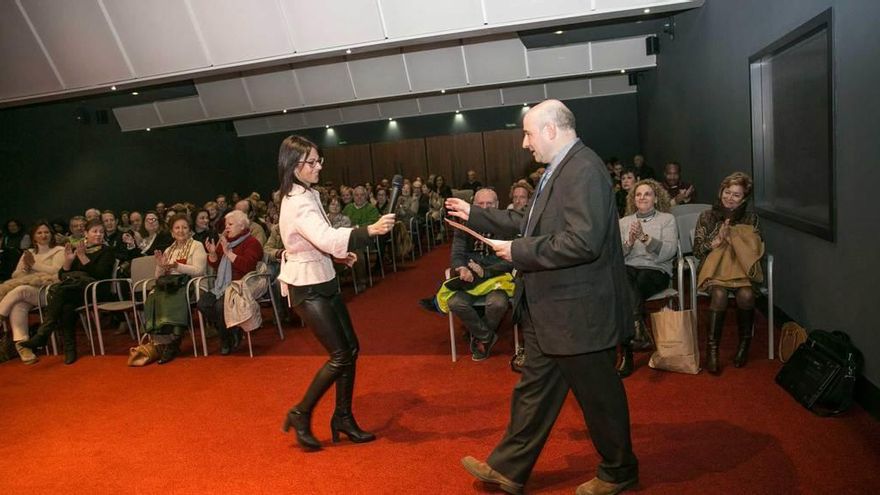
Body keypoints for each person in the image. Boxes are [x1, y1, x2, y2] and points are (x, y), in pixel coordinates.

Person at [445, 99, 638, 495]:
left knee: (600, 399)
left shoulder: (583, 169)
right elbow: (526, 222)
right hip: (553, 311)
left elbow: (582, 242)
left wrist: (518, 252)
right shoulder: (559, 170)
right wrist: (475, 214)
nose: (524, 144)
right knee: (534, 392)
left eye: (529, 133)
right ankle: (508, 468)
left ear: (551, 129)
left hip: (578, 313)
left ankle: (620, 472)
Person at [275, 135, 395, 451]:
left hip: (322, 278)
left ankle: (342, 416)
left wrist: (339, 255)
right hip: (306, 285)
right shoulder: (298, 200)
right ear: (293, 165)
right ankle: (301, 413)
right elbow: (325, 237)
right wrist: (370, 230)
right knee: (341, 354)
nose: (319, 166)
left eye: (319, 160)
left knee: (350, 349)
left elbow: (318, 240)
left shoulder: (306, 193)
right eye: (311, 162)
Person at [693, 172, 762, 375]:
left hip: (741, 270)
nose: (729, 197)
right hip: (713, 270)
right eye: (727, 192)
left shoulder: (752, 219)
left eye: (736, 195)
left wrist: (736, 239)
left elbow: (756, 251)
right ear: (721, 191)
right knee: (720, 294)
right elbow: (697, 250)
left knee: (747, 295)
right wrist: (717, 240)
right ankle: (712, 350)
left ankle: (744, 345)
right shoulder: (707, 216)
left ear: (744, 198)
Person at [19, 219, 116, 364]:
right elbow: (61, 275)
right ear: (86, 233)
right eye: (94, 231)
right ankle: (69, 349)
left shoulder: (106, 251)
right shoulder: (78, 249)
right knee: (66, 306)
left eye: (101, 232)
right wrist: (69, 261)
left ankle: (44, 332)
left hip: (95, 291)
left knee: (62, 292)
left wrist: (83, 258)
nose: (98, 235)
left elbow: (100, 275)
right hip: (74, 291)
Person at [616, 179, 678, 377]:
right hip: (629, 268)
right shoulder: (624, 222)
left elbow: (669, 252)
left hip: (656, 270)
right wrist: (630, 242)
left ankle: (628, 352)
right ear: (633, 199)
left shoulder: (667, 219)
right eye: (638, 194)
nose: (642, 197)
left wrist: (645, 238)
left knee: (630, 290)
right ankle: (637, 331)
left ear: (656, 198)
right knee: (625, 279)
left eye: (647, 194)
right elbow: (617, 255)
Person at [447, 188, 513, 361]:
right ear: (473, 205)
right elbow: (457, 255)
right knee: (455, 303)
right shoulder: (463, 224)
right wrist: (462, 268)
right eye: (480, 204)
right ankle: (486, 337)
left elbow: (511, 260)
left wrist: (486, 271)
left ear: (497, 205)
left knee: (497, 304)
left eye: (489, 204)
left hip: (497, 278)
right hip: (471, 278)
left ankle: (479, 335)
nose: (484, 208)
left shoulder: (507, 225)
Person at [143, 214, 207, 364]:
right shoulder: (169, 250)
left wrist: (177, 266)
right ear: (172, 232)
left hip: (192, 285)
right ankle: (163, 342)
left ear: (189, 230)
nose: (181, 231)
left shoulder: (197, 245)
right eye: (177, 228)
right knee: (153, 295)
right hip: (172, 285)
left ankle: (174, 341)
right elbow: (158, 277)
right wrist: (160, 265)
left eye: (184, 227)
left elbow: (199, 271)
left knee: (172, 297)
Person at [198, 210, 262, 355]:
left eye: (230, 224)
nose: (226, 227)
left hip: (241, 285)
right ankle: (233, 330)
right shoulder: (225, 241)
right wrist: (213, 254)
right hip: (222, 286)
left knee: (221, 306)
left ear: (242, 226)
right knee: (203, 303)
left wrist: (229, 254)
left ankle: (225, 339)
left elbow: (248, 266)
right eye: (226, 224)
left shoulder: (252, 242)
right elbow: (217, 265)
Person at [0, 222, 65, 364]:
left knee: (21, 290)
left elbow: (57, 271)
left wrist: (34, 265)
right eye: (39, 233)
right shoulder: (29, 253)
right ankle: (23, 346)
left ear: (51, 234)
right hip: (27, 293)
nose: (43, 235)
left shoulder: (59, 250)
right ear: (34, 237)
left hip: (49, 292)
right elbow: (15, 275)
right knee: (18, 305)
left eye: (46, 232)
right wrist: (25, 269)